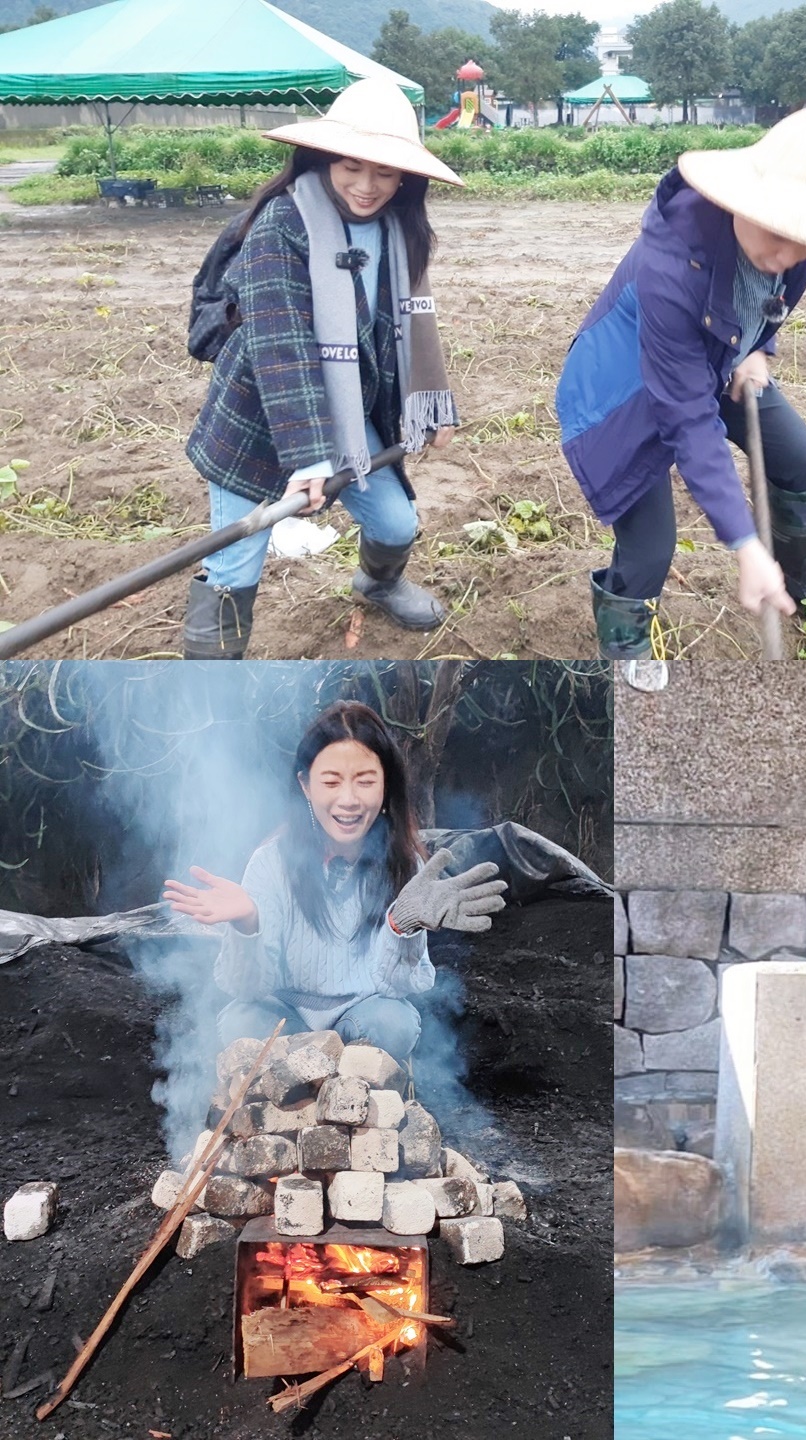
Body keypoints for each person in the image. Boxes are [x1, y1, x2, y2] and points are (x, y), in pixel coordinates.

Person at [556, 95, 806, 683]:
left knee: (800, 459)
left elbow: (770, 307)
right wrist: (744, 544)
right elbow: (689, 418)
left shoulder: (795, 252)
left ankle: (801, 580)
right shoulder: (669, 265)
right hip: (623, 391)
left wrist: (759, 349)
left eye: (804, 238)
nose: (785, 254)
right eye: (777, 230)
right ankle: (624, 653)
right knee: (649, 550)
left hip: (717, 358)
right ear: (744, 197)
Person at [181, 76, 464, 659]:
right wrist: (308, 455)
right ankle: (209, 673)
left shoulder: (399, 229)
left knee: (395, 525)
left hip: (347, 409)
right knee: (235, 563)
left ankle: (378, 583)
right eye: (352, 167)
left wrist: (431, 407)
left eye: (386, 173)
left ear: (407, 176)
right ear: (324, 156)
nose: (368, 186)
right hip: (258, 419)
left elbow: (410, 333)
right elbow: (280, 341)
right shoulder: (280, 224)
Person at [160, 700, 509, 1061]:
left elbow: (397, 988)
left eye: (365, 782)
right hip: (285, 1019)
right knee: (241, 1023)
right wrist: (247, 923)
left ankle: (351, 1090)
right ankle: (302, 1093)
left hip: (361, 1019)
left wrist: (401, 925)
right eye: (330, 782)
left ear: (386, 787)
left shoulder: (405, 865)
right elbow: (247, 989)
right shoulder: (271, 862)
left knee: (395, 1023)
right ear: (306, 786)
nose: (348, 800)